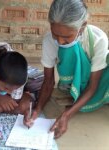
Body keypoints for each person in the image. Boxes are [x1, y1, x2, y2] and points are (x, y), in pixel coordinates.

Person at [24, 0, 109, 138]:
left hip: (98, 83)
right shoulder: (49, 41)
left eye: (66, 36)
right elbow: (49, 81)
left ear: (82, 27)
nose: (60, 41)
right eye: (55, 34)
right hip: (74, 85)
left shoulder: (99, 40)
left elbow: (93, 86)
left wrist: (67, 115)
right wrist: (37, 110)